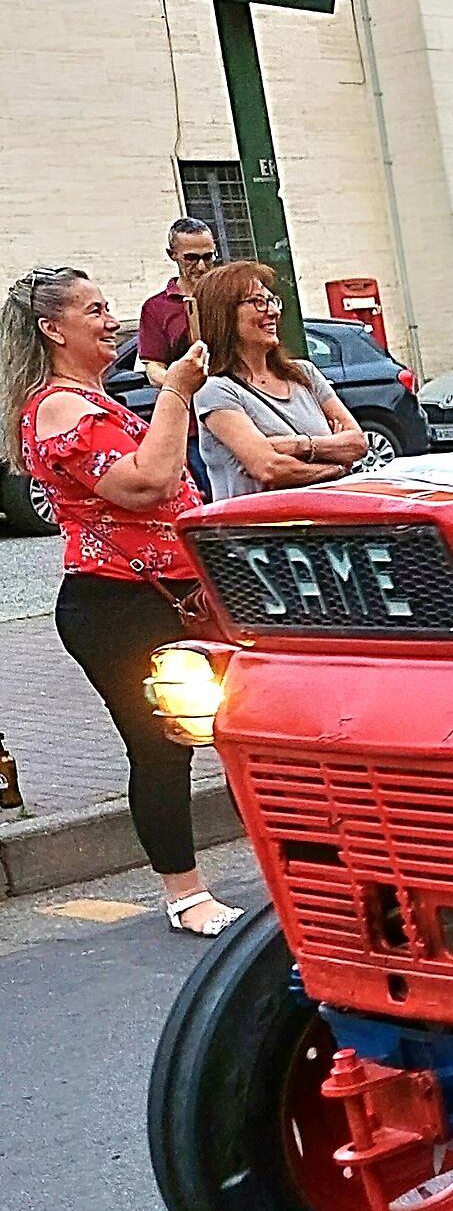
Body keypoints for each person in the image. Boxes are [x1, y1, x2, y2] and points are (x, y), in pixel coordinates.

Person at [0, 266, 239, 938]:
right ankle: (185, 894)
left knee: (231, 728)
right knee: (161, 745)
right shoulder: (57, 406)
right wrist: (178, 395)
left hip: (170, 596)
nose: (113, 320)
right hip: (118, 605)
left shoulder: (91, 398)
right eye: (95, 309)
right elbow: (147, 483)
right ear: (53, 329)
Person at [190, 261, 370, 498]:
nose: (273, 312)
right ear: (223, 314)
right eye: (258, 302)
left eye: (272, 301)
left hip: (324, 525)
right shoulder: (216, 389)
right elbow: (269, 468)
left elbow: (358, 443)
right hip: (260, 531)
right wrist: (335, 463)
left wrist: (296, 446)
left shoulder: (305, 374)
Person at [139, 218, 217, 387]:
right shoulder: (156, 307)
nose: (202, 266)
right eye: (191, 258)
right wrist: (181, 385)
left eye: (208, 257)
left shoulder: (230, 296)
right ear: (172, 255)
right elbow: (154, 367)